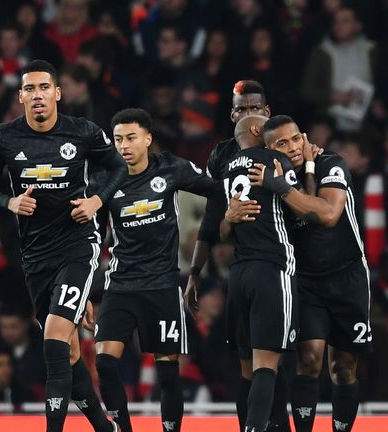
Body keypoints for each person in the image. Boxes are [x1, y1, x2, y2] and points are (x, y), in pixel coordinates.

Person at [0, 59, 127, 432]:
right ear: (21, 97)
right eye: (29, 89)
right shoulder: (4, 137)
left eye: (44, 87)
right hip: (35, 253)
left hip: (78, 242)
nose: (37, 95)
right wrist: (8, 202)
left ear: (57, 93)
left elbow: (118, 167)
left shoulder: (83, 132)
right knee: (69, 351)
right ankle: (105, 429)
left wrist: (96, 201)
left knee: (54, 340)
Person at [228, 115, 371, 432]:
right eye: (281, 143)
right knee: (308, 360)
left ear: (304, 137)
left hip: (348, 276)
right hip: (304, 280)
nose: (292, 147)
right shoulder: (265, 180)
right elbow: (232, 229)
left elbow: (329, 214)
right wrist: (230, 216)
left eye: (295, 139)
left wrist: (279, 185)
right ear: (269, 150)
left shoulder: (330, 163)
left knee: (344, 367)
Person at [94, 108, 222, 432]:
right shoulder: (105, 179)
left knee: (167, 371)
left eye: (131, 137)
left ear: (147, 139)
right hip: (121, 283)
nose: (124, 145)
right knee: (104, 362)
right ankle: (123, 429)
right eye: (118, 139)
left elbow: (215, 189)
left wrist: (213, 231)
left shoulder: (170, 168)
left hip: (162, 285)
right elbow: (92, 237)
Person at [184, 80, 290, 431]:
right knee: (263, 364)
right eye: (242, 109)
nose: (249, 114)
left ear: (266, 112)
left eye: (254, 108)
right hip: (268, 268)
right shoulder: (268, 154)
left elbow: (219, 221)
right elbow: (215, 220)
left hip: (254, 272)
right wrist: (195, 272)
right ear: (233, 115)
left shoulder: (283, 144)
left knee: (264, 365)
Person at [222, 115, 300, 432]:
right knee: (267, 366)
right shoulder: (275, 160)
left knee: (247, 371)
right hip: (272, 268)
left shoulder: (227, 168)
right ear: (257, 131)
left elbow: (223, 230)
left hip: (238, 274)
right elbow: (302, 210)